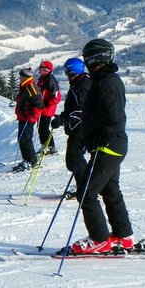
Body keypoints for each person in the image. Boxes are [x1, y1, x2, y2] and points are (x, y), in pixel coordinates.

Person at [65, 39, 135, 255]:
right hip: (113, 145)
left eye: (87, 58)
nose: (85, 61)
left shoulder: (104, 83)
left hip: (108, 146)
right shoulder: (106, 80)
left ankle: (99, 239)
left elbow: (112, 117)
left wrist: (98, 138)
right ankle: (123, 236)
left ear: (96, 58)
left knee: (86, 193)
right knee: (110, 190)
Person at [51, 58, 91, 196]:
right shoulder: (80, 83)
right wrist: (62, 117)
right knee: (75, 159)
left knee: (74, 160)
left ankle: (86, 188)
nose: (66, 75)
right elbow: (73, 108)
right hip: (80, 127)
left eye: (67, 72)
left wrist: (64, 120)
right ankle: (84, 187)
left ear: (74, 71)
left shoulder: (81, 86)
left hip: (81, 129)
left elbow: (81, 110)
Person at [13, 67, 44, 172]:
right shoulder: (25, 87)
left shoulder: (30, 87)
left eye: (21, 76)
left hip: (28, 118)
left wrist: (33, 116)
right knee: (22, 139)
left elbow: (39, 104)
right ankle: (26, 159)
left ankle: (32, 161)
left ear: (24, 77)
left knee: (26, 139)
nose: (19, 78)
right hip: (23, 117)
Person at [36, 60, 61, 155]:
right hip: (42, 107)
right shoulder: (43, 79)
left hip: (47, 109)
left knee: (44, 128)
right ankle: (44, 146)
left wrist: (46, 103)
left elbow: (56, 97)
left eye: (41, 68)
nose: (39, 69)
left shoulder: (50, 80)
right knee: (41, 128)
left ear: (47, 70)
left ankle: (51, 147)